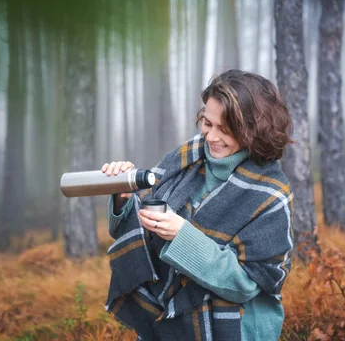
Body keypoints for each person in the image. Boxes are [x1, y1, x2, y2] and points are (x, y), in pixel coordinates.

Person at [101, 69, 294, 341]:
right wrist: (124, 197)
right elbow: (144, 226)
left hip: (236, 329)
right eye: (207, 122)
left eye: (225, 130)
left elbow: (246, 285)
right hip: (166, 321)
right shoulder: (186, 158)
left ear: (254, 130)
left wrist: (182, 237)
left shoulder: (271, 195)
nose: (211, 137)